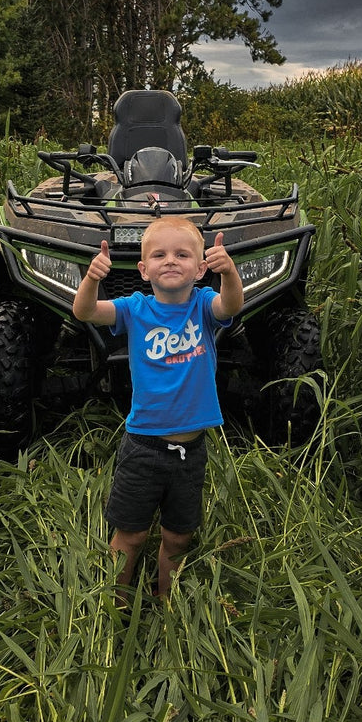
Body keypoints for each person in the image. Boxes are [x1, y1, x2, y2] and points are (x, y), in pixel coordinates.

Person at [72, 216, 244, 600]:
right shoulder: (134, 309)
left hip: (191, 452)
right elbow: (84, 312)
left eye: (182, 254)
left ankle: (168, 605)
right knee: (130, 535)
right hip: (143, 448)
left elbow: (231, 304)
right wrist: (91, 279)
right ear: (143, 269)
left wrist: (230, 273)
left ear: (200, 269)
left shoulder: (203, 305)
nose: (170, 260)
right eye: (159, 255)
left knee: (178, 537)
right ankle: (115, 605)